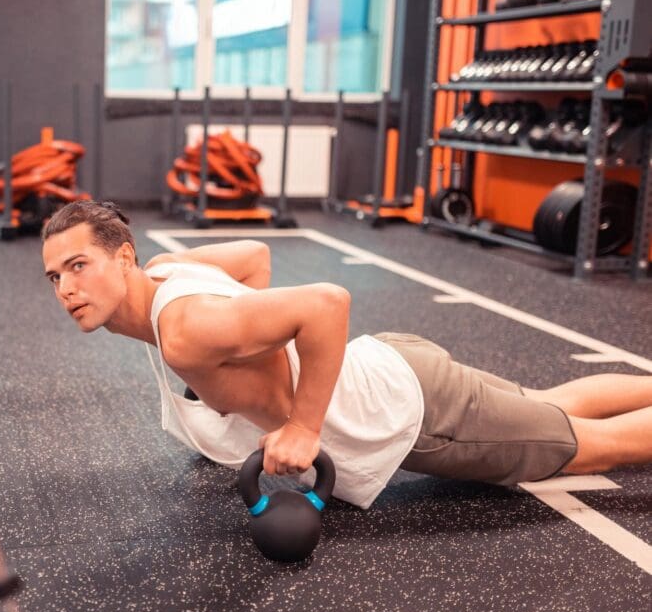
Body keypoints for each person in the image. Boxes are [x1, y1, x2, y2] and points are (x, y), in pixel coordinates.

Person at [40, 200, 652, 509]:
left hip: (415, 417)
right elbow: (254, 257)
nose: (66, 288)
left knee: (597, 447)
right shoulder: (167, 270)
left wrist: (304, 428)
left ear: (123, 257)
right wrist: (242, 364)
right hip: (394, 367)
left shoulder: (186, 328)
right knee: (553, 405)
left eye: (79, 265)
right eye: (55, 276)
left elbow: (326, 303)